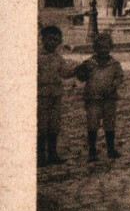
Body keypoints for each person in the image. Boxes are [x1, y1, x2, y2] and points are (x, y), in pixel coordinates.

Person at [74, 32, 124, 162]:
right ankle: (92, 150)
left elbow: (119, 77)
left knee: (110, 123)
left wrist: (114, 85)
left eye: (106, 47)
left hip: (109, 98)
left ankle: (111, 148)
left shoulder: (114, 64)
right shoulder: (89, 63)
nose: (103, 50)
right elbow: (81, 77)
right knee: (92, 124)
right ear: (95, 48)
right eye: (100, 47)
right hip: (93, 98)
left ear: (110, 48)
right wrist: (82, 71)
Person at [37, 23, 76, 166]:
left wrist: (76, 71)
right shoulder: (37, 57)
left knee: (54, 125)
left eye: (56, 40)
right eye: (50, 39)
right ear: (43, 40)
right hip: (41, 96)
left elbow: (65, 73)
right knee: (41, 126)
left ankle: (53, 153)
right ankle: (40, 156)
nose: (53, 42)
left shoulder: (58, 57)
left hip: (55, 95)